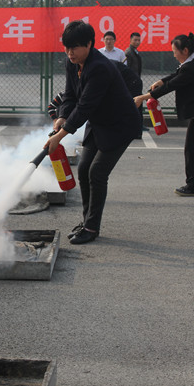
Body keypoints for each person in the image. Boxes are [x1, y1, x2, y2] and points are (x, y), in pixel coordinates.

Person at [45, 20, 141, 245]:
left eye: (74, 47)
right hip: (98, 123)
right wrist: (61, 116)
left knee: (97, 173)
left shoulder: (99, 68)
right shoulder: (72, 62)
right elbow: (70, 95)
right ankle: (86, 221)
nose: (69, 52)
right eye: (66, 47)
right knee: (84, 169)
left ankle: (91, 227)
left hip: (119, 125)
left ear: (89, 44)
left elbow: (84, 107)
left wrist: (59, 136)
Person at [134, 33, 194, 196]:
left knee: (191, 149)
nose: (173, 55)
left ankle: (193, 185)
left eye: (174, 51)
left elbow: (171, 86)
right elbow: (177, 75)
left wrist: (143, 97)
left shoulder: (191, 67)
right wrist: (162, 80)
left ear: (185, 50)